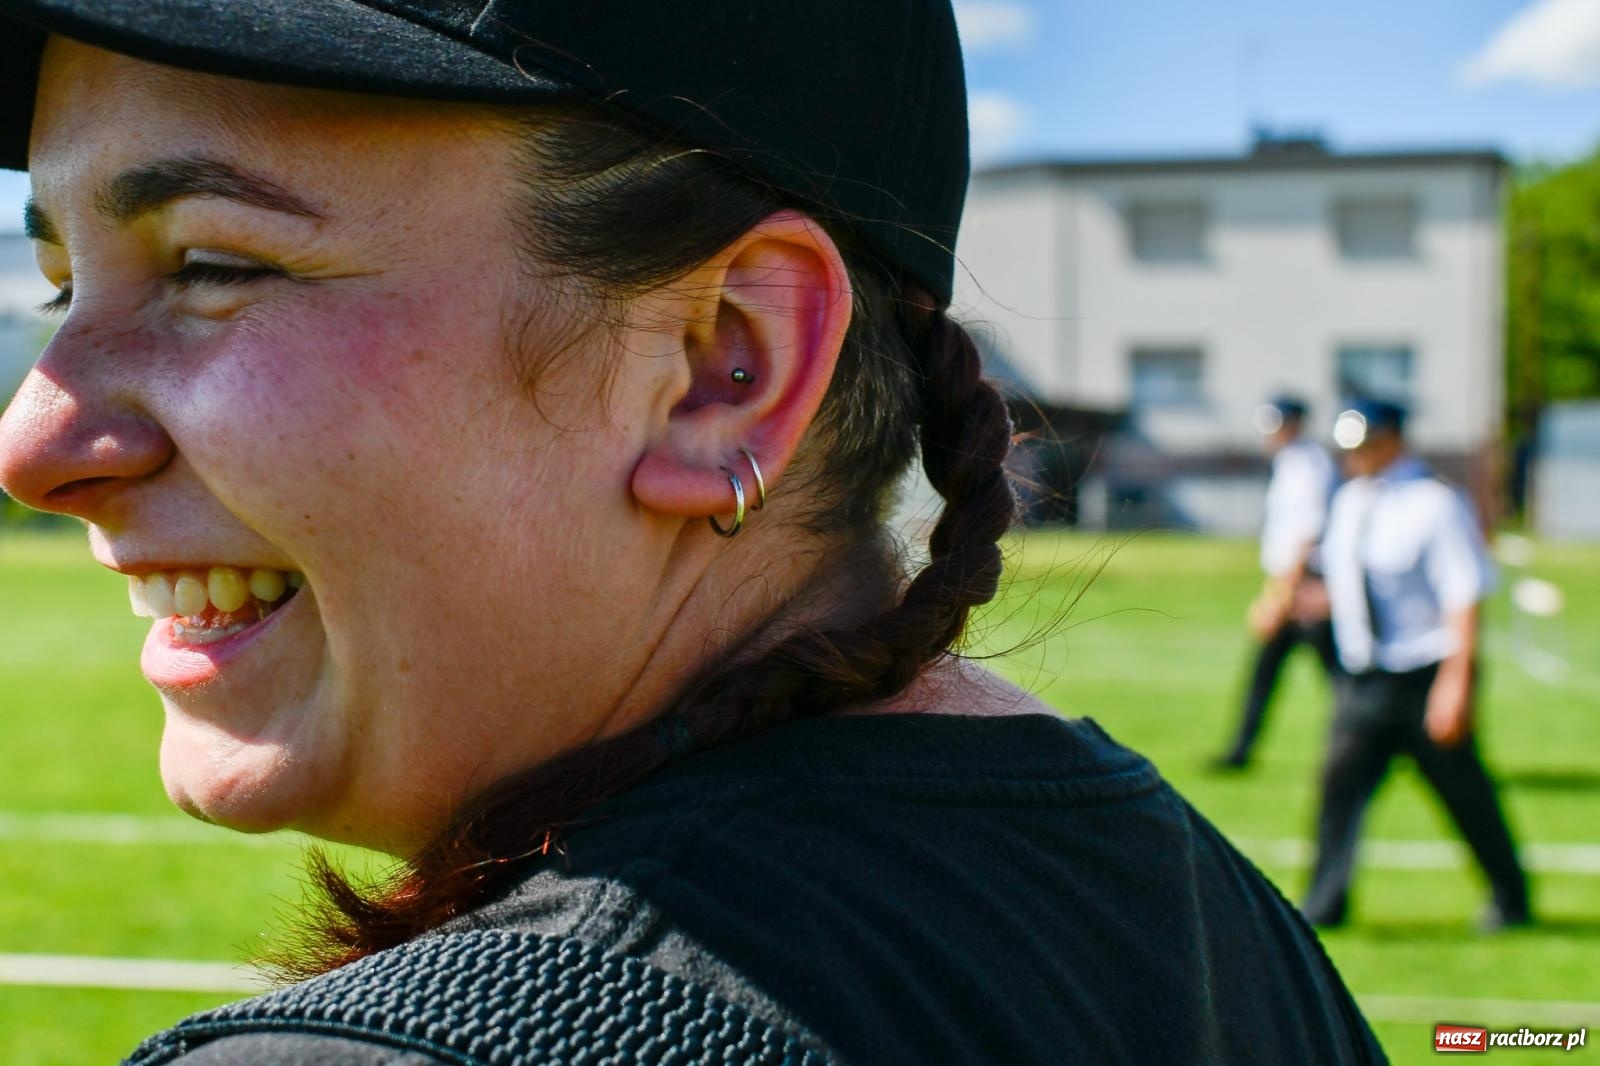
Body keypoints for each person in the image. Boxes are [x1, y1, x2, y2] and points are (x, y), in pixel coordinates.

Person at [0, 2, 1387, 1062]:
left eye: (213, 264)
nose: (34, 445)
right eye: (61, 282)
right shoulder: (1216, 933)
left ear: (723, 366)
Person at [1305, 400, 1530, 930]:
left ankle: (1510, 897)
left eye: (1364, 446)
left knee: (1464, 794)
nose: (1353, 457)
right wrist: (1320, 603)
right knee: (1338, 788)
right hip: (1364, 678)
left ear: (1392, 440)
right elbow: (1356, 579)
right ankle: (1324, 905)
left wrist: (1456, 683)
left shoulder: (1436, 503)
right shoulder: (1351, 500)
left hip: (1424, 673)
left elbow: (1463, 594)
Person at [1216, 395, 1339, 768]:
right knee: (1267, 672)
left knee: (1340, 679)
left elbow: (1306, 535)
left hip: (1307, 586)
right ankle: (1240, 751)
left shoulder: (1307, 466)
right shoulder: (1290, 463)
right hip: (1293, 581)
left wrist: (1280, 596)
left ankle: (1370, 744)